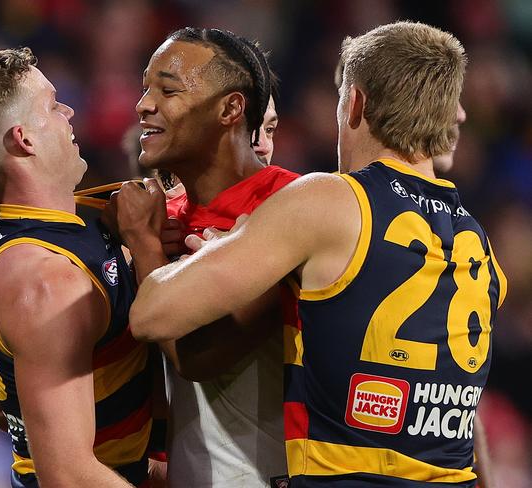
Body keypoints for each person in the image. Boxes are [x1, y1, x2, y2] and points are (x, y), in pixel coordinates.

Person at [129, 21, 508, 487]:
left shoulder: (324, 203)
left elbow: (152, 315)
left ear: (355, 104)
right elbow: (464, 416)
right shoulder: (479, 244)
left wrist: (206, 245)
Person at [0, 48, 152, 488]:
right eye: (52, 103)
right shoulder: (46, 281)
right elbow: (68, 475)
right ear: (24, 138)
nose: (69, 111)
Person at [109, 28, 299, 487]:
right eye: (145, 88)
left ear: (230, 109)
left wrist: (145, 248)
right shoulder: (159, 216)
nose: (143, 105)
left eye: (168, 90)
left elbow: (201, 358)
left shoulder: (290, 206)